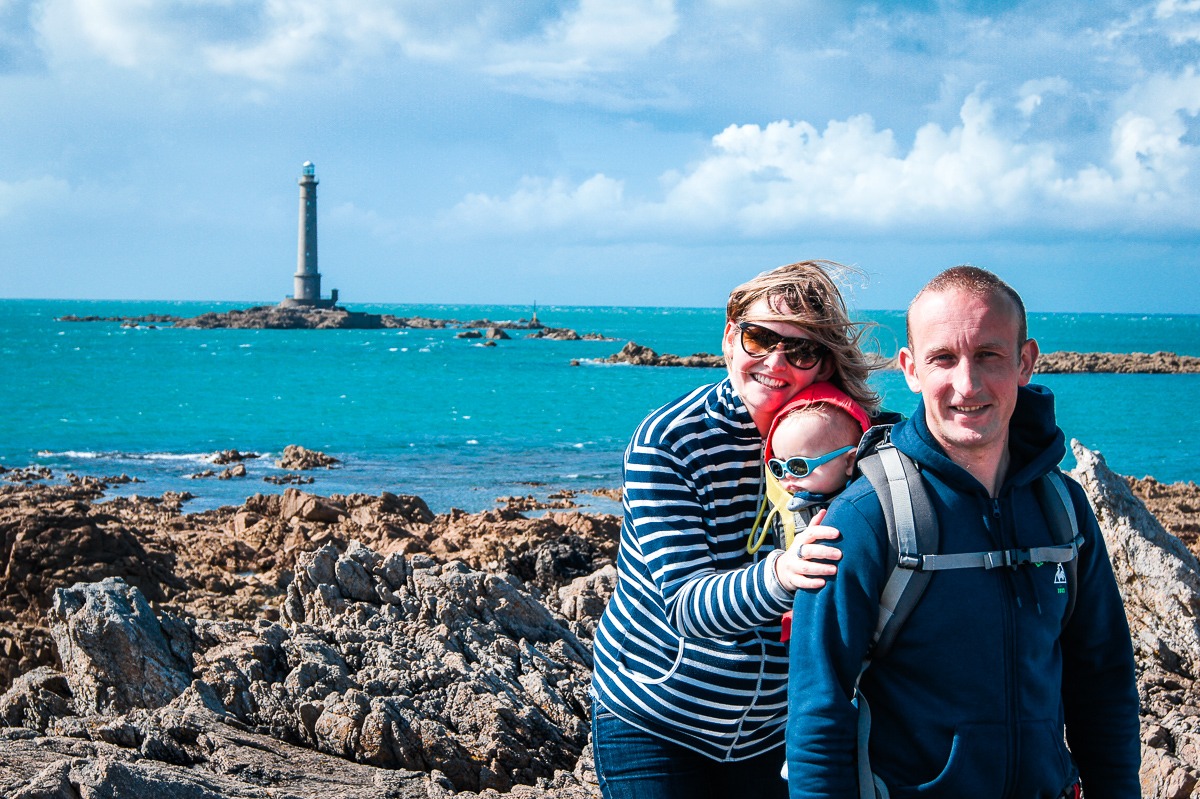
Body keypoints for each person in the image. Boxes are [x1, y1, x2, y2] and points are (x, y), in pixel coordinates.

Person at [784, 266, 1140, 798]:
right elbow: (819, 711)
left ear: (1025, 362)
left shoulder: (1062, 507)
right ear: (910, 369)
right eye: (943, 358)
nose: (967, 384)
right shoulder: (865, 516)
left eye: (989, 355)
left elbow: (1103, 679)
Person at [590, 260, 882, 799]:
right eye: (758, 338)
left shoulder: (852, 440)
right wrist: (785, 573)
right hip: (655, 719)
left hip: (774, 732)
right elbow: (686, 607)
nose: (775, 361)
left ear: (823, 363)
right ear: (729, 337)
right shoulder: (670, 440)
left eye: (801, 350)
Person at [752, 382, 872, 645]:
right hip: (804, 626)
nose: (787, 478)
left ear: (850, 462)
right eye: (778, 466)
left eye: (798, 465)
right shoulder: (787, 505)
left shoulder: (869, 505)